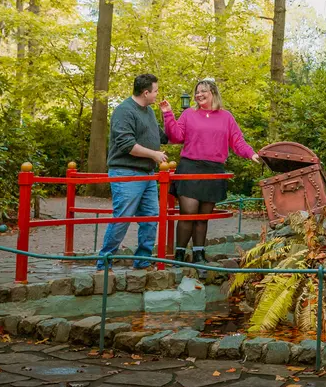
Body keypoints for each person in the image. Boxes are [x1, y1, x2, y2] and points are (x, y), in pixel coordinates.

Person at [160, 78, 262, 264]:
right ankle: (180, 254)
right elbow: (176, 136)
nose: (199, 95)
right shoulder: (189, 114)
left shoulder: (226, 117)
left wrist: (251, 154)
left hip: (214, 169)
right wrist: (168, 115)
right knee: (188, 213)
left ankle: (199, 253)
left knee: (203, 217)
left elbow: (237, 141)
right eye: (197, 92)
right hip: (190, 168)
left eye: (203, 91)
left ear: (213, 93)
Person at [96, 73, 169, 270]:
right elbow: (126, 144)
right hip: (126, 173)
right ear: (146, 92)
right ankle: (105, 261)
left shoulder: (149, 112)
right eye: (155, 91)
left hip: (147, 174)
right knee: (123, 217)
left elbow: (163, 137)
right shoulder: (124, 111)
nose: (157, 94)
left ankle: (143, 260)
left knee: (151, 217)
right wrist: (153, 155)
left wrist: (168, 115)